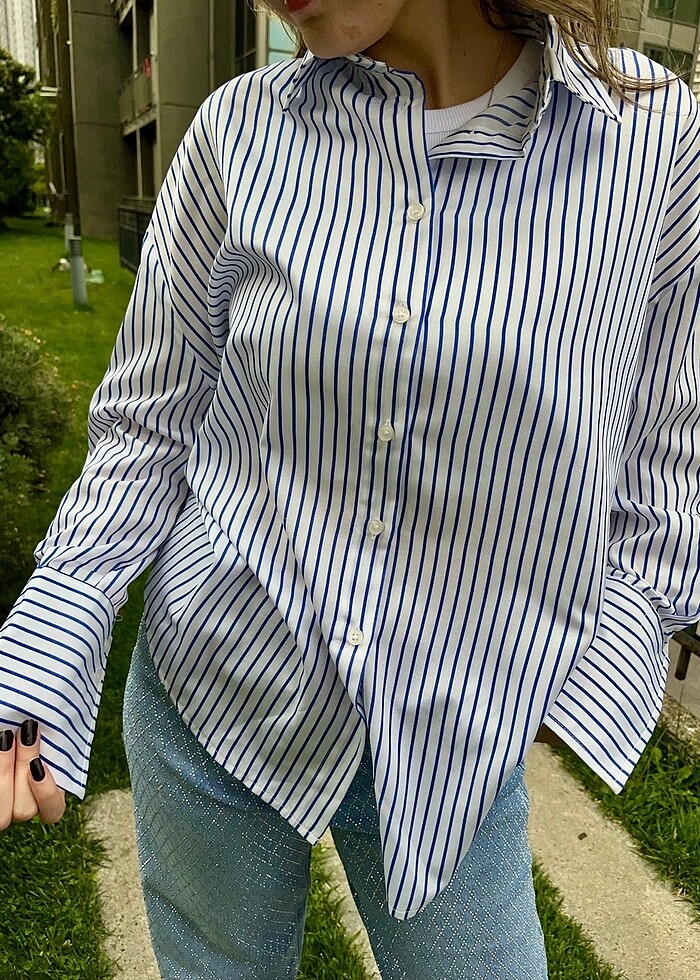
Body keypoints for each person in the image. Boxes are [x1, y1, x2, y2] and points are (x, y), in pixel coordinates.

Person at [1, 0, 699, 977]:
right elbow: (148, 423)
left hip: (455, 728)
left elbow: (671, 453)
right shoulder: (239, 131)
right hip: (217, 677)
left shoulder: (655, 142)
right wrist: (43, 652)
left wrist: (590, 661)